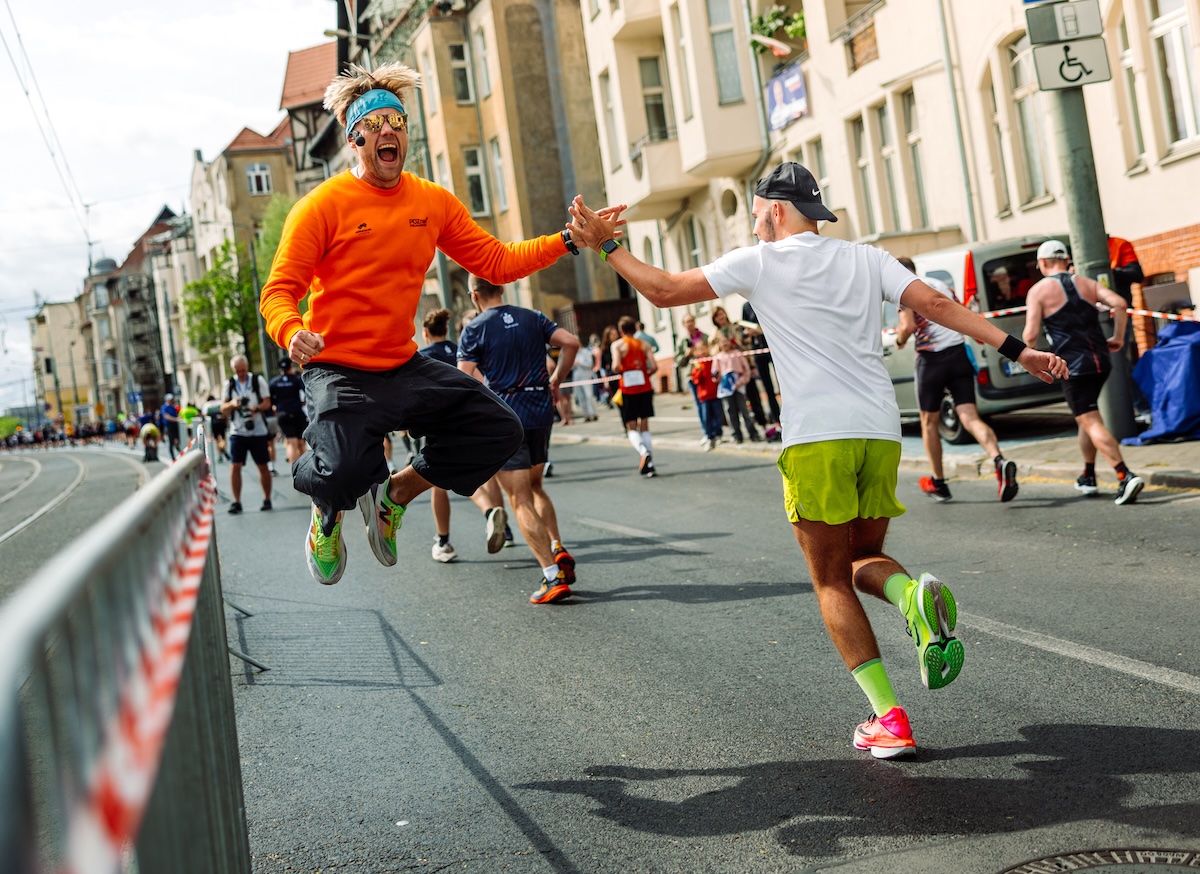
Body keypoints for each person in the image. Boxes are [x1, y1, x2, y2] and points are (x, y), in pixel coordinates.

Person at [566, 162, 1068, 757]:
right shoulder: (866, 257)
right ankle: (910, 597)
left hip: (815, 436)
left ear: (777, 209)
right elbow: (934, 301)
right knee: (865, 557)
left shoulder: (759, 262)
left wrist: (608, 246)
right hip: (878, 430)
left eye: (756, 215)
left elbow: (665, 291)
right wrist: (1021, 349)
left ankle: (891, 719)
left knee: (831, 578)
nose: (754, 227)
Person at [258, 61, 601, 586]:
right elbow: (279, 291)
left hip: (402, 365)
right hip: (338, 370)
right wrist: (290, 330)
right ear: (355, 140)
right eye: (373, 128)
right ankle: (326, 513)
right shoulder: (321, 207)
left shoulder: (431, 200)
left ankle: (395, 495)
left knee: (500, 428)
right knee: (342, 473)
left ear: (405, 133)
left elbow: (498, 263)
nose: (387, 133)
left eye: (395, 122)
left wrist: (571, 240)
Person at [457, 276, 580, 604]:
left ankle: (552, 576)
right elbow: (570, 342)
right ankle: (557, 546)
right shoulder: (532, 316)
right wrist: (556, 380)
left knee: (519, 498)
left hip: (506, 417)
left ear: (474, 295)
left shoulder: (475, 328)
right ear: (501, 288)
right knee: (537, 486)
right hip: (540, 411)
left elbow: (463, 377)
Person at [1023, 239, 1145, 505]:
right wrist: (1119, 337)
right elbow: (1121, 303)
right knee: (1085, 417)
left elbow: (1031, 334)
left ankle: (1124, 475)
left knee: (1090, 420)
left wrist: (1030, 358)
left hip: (1072, 366)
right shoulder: (1086, 283)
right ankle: (1088, 475)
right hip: (1100, 359)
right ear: (1066, 260)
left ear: (1042, 263)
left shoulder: (1039, 290)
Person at [894, 256, 1019, 504]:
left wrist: (899, 340)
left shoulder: (905, 290)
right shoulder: (941, 285)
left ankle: (938, 482)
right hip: (958, 353)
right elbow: (961, 313)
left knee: (929, 422)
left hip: (931, 360)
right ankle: (998, 459)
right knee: (970, 417)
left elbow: (907, 326)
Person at [417, 307, 508, 563]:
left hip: (440, 426)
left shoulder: (422, 357)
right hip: (469, 422)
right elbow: (480, 383)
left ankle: (443, 541)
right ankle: (493, 514)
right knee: (473, 475)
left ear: (425, 333)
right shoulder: (460, 352)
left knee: (437, 482)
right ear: (445, 330)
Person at [220, 355, 273, 514]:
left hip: (257, 430)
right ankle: (236, 502)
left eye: (243, 370)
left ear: (247, 367)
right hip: (238, 430)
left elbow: (267, 402)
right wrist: (233, 404)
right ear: (233, 370)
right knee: (235, 465)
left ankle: (267, 499)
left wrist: (255, 409)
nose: (241, 373)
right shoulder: (229, 384)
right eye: (238, 370)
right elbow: (223, 407)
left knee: (262, 466)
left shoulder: (257, 381)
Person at [609, 315, 659, 476]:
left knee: (631, 425)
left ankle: (643, 451)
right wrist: (643, 373)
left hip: (628, 388)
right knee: (644, 424)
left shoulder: (617, 345)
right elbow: (655, 366)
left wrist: (625, 371)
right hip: (644, 386)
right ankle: (650, 465)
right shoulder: (644, 344)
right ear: (635, 328)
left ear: (621, 330)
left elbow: (616, 366)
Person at [711, 332, 762, 444]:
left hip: (738, 386)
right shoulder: (718, 357)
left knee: (745, 411)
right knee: (730, 411)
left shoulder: (737, 354)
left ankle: (753, 433)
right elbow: (715, 374)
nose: (724, 344)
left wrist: (741, 382)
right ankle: (736, 434)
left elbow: (746, 370)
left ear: (731, 342)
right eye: (722, 342)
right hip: (726, 388)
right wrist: (716, 376)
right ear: (719, 344)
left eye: (726, 341)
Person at [675, 313, 715, 444]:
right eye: (687, 322)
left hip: (707, 374)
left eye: (691, 321)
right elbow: (678, 361)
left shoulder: (704, 337)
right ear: (684, 325)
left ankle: (715, 430)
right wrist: (686, 355)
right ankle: (706, 432)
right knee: (700, 405)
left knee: (712, 403)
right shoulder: (682, 341)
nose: (690, 323)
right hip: (692, 375)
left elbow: (712, 351)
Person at [269, 357, 309, 466]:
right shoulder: (296, 379)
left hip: (283, 414)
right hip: (297, 413)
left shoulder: (274, 382)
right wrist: (302, 402)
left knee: (292, 444)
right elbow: (306, 391)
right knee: (301, 443)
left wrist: (275, 406)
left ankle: (295, 473)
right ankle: (305, 471)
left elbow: (270, 400)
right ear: (290, 366)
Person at [688, 338, 723, 450]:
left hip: (714, 393)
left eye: (704, 349)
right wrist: (698, 371)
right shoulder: (697, 364)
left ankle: (718, 433)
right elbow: (695, 380)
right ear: (696, 352)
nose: (703, 352)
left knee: (718, 415)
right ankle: (709, 435)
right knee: (706, 417)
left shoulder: (712, 360)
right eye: (700, 350)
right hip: (703, 396)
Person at [204, 394, 229, 461]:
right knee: (223, 438)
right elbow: (225, 411)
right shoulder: (220, 402)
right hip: (221, 422)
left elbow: (205, 415)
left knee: (216, 440)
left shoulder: (207, 404)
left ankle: (220, 454)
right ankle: (223, 448)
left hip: (213, 424)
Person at [159, 393, 182, 460]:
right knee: (171, 441)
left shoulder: (174, 407)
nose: (173, 401)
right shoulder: (165, 407)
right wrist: (175, 419)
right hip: (169, 426)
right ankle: (173, 457)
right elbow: (166, 416)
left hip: (175, 425)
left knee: (178, 439)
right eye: (171, 400)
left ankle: (180, 451)